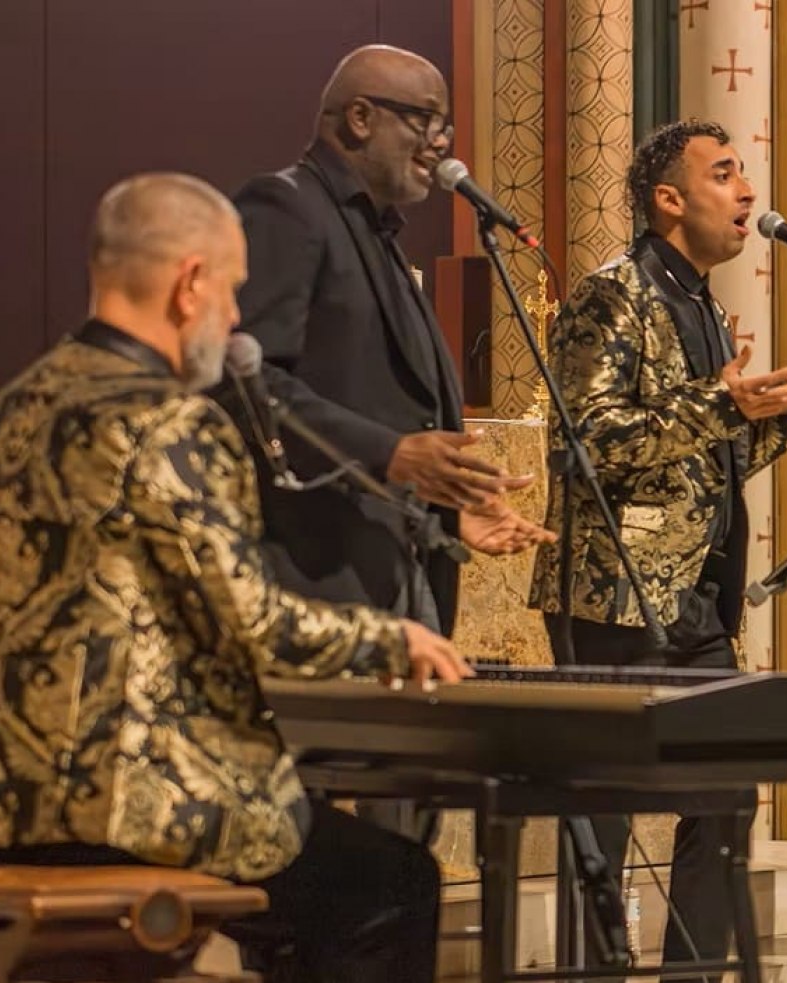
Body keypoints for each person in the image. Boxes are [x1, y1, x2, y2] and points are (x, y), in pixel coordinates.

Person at [0, 172, 472, 982]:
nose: (237, 317)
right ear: (190, 285)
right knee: (389, 881)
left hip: (6, 799)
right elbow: (256, 626)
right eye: (233, 290)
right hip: (135, 801)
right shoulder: (174, 421)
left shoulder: (12, 409)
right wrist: (393, 635)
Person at [529, 118, 787, 974]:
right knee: (602, 810)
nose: (747, 192)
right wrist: (726, 407)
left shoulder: (705, 304)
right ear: (669, 200)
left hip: (697, 600)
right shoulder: (613, 293)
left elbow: (709, 458)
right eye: (724, 174)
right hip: (615, 592)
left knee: (723, 794)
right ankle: (589, 971)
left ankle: (691, 972)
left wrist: (783, 414)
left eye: (745, 174)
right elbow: (584, 440)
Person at [228, 43, 552, 842]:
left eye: (444, 122)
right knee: (336, 869)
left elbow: (379, 408)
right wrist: (392, 455)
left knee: (401, 849)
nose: (443, 143)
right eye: (425, 120)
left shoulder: (375, 235)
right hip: (318, 583)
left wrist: (444, 512)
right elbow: (245, 381)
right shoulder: (286, 208)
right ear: (359, 118)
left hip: (394, 583)